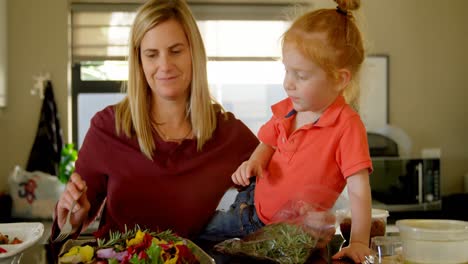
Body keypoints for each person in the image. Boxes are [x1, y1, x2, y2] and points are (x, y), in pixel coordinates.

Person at [51, 0, 258, 242]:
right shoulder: (108, 127)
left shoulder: (228, 134)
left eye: (176, 51)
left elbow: (278, 183)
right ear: (139, 61)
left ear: (194, 53)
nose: (165, 65)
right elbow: (74, 220)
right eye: (152, 54)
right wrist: (73, 217)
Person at [202, 0, 373, 263]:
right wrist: (255, 161)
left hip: (293, 239)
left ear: (340, 79)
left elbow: (359, 190)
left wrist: (359, 241)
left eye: (301, 76)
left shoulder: (347, 126)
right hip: (250, 213)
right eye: (286, 71)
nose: (288, 83)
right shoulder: (288, 109)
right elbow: (268, 142)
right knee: (198, 234)